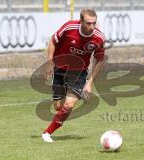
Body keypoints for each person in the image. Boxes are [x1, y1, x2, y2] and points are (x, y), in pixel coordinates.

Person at [42, 8, 105, 142]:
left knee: (69, 105)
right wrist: (49, 63)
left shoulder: (99, 38)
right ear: (81, 20)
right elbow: (53, 41)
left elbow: (100, 60)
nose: (92, 26)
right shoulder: (69, 27)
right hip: (59, 68)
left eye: (94, 23)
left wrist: (89, 83)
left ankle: (47, 133)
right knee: (58, 107)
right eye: (88, 23)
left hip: (79, 73)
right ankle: (65, 99)